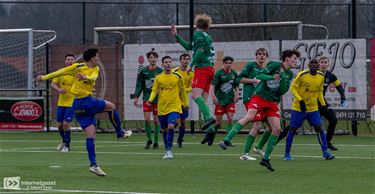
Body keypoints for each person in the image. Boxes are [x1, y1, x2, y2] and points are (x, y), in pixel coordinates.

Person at [36, 48, 131, 176]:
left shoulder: (95, 68)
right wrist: (44, 77)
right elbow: (59, 72)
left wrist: (85, 77)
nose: (98, 59)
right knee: (112, 106)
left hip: (77, 105)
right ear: (92, 58)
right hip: (84, 101)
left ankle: (93, 165)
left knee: (91, 136)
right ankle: (120, 133)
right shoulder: (77, 67)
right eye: (97, 57)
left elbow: (93, 77)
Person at [219, 49, 300, 172]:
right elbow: (260, 76)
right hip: (260, 96)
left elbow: (282, 91)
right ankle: (226, 140)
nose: (296, 61)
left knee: (276, 129)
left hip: (272, 102)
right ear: (287, 59)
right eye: (294, 59)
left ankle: (265, 159)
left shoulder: (289, 74)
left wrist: (282, 77)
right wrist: (272, 76)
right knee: (250, 117)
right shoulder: (275, 65)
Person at [171, 13, 217, 144]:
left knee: (195, 96)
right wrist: (176, 35)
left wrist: (191, 66)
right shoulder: (207, 36)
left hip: (202, 68)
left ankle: (209, 119)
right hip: (210, 69)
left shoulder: (198, 34)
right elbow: (189, 47)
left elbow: (200, 51)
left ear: (196, 25)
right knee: (203, 100)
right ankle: (211, 131)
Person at [283, 59, 335, 161]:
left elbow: (319, 91)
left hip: (313, 109)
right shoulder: (302, 75)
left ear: (318, 65)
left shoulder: (321, 76)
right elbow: (293, 88)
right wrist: (300, 100)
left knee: (319, 128)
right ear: (308, 65)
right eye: (312, 64)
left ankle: (325, 153)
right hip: (299, 108)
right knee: (292, 129)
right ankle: (287, 154)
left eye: (316, 63)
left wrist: (323, 105)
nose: (314, 65)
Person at [148, 56, 187, 159]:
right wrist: (150, 100)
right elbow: (154, 90)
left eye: (170, 62)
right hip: (162, 107)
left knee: (170, 126)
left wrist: (185, 103)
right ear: (163, 64)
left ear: (172, 64)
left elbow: (182, 91)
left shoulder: (178, 76)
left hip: (174, 105)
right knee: (164, 129)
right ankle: (167, 150)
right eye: (166, 62)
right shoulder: (158, 78)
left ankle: (169, 149)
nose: (168, 64)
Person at [134, 50, 163, 149]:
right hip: (147, 98)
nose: (153, 59)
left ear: (157, 59)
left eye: (154, 57)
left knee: (156, 121)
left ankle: (156, 142)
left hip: (158, 99)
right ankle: (149, 140)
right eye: (151, 57)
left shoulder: (160, 71)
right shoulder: (144, 71)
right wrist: (136, 97)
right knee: (146, 119)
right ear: (148, 59)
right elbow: (139, 85)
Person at [208, 56, 239, 146]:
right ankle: (211, 134)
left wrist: (237, 95)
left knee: (230, 118)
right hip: (220, 101)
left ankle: (227, 140)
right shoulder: (218, 74)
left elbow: (236, 85)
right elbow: (212, 85)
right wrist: (213, 96)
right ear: (223, 64)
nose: (228, 65)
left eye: (230, 63)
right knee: (218, 124)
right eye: (226, 63)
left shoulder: (234, 73)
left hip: (230, 100)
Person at [318, 56, 347, 151]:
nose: (323, 64)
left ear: (328, 64)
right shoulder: (313, 73)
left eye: (325, 62)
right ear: (319, 64)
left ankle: (327, 143)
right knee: (294, 126)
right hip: (310, 103)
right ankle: (278, 137)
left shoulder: (331, 76)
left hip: (322, 103)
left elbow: (339, 87)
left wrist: (343, 98)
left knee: (333, 120)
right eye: (322, 62)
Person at [51, 54, 75, 152]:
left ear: (74, 61)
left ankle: (67, 145)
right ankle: (64, 141)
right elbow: (53, 83)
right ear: (65, 61)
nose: (70, 61)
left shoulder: (77, 72)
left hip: (72, 102)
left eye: (71, 59)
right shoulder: (61, 72)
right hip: (61, 103)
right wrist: (59, 89)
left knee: (66, 124)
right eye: (68, 59)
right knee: (60, 125)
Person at [173, 53, 194, 148]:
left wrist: (183, 90)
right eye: (184, 59)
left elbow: (191, 87)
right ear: (180, 60)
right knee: (177, 122)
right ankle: (168, 134)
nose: (186, 61)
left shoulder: (191, 73)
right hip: (174, 101)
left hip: (184, 101)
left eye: (187, 59)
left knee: (183, 122)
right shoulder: (174, 72)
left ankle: (180, 140)